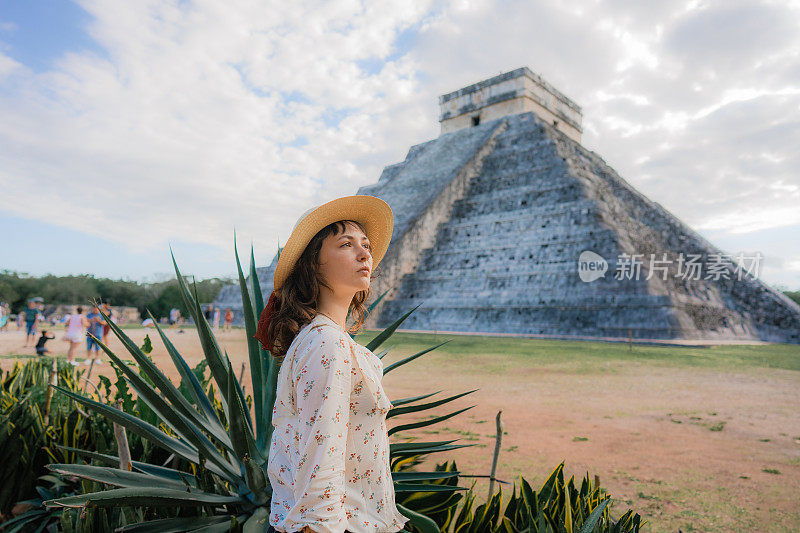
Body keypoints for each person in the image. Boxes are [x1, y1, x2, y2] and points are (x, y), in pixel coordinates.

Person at [255, 195, 408, 533]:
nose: (365, 253)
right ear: (313, 265)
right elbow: (322, 453)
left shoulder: (323, 339)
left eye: (365, 245)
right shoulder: (327, 343)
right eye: (345, 244)